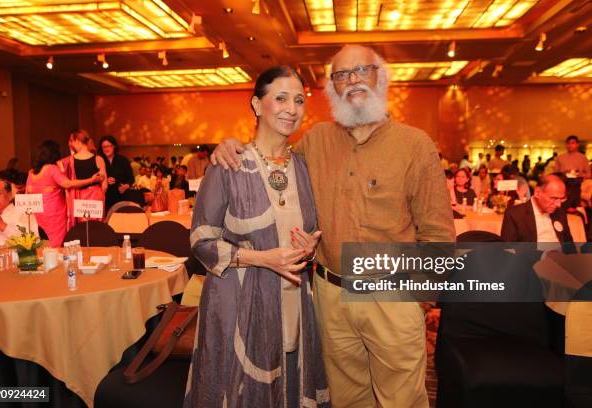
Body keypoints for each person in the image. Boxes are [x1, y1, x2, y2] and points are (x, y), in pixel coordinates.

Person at [211, 45, 455, 408]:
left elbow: (438, 235)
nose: (353, 80)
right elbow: (271, 159)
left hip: (391, 296)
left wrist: (416, 302)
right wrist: (232, 146)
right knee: (344, 398)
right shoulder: (316, 141)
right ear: (331, 88)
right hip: (330, 296)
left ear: (382, 77)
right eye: (341, 75)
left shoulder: (415, 145)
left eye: (363, 71)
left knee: (402, 400)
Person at [184, 66, 329, 407]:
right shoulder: (229, 164)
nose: (291, 109)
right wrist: (261, 258)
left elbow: (304, 233)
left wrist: (307, 248)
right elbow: (201, 241)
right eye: (280, 98)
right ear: (256, 104)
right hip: (238, 302)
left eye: (298, 100)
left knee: (287, 382)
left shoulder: (304, 168)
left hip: (293, 297)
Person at [26, 140, 103, 247]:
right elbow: (67, 184)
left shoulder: (31, 172)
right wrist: (91, 180)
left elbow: (27, 191)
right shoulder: (52, 169)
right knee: (56, 244)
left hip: (38, 214)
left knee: (44, 242)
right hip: (54, 213)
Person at [501, 174, 572, 243]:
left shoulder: (559, 212)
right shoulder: (515, 214)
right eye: (553, 198)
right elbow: (508, 249)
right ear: (537, 193)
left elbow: (569, 247)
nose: (558, 204)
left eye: (561, 199)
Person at [61, 130, 107, 224]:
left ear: (77, 141)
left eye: (71, 141)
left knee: (81, 228)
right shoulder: (98, 159)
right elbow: (105, 185)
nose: (70, 144)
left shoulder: (69, 161)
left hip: (78, 197)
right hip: (96, 196)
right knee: (96, 227)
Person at [0, 178, 38, 253]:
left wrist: (2, 226)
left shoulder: (23, 213)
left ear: (10, 195)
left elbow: (33, 243)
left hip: (7, 261)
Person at [98, 135, 134, 210]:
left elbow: (131, 178)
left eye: (108, 146)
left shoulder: (123, 160)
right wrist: (104, 181)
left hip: (121, 196)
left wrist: (126, 186)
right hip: (105, 197)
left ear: (114, 146)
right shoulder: (98, 160)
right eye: (104, 147)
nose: (106, 149)